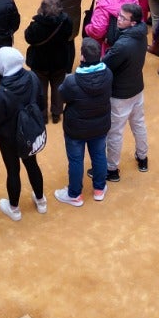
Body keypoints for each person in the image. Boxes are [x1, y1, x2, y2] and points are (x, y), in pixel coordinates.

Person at [0, 47, 48, 219]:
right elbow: (41, 103)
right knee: (32, 164)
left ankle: (14, 208)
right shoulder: (32, 77)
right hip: (29, 133)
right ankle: (41, 201)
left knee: (13, 170)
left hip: (8, 138)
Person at [55, 39, 113, 206]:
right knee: (99, 155)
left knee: (75, 160)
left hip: (76, 128)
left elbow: (62, 96)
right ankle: (99, 189)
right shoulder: (108, 74)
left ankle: (74, 194)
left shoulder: (71, 81)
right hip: (100, 125)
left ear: (82, 57)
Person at [102, 3, 150, 182]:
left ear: (133, 22)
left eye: (123, 18)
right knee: (138, 124)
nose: (118, 20)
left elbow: (105, 63)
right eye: (119, 16)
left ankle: (111, 169)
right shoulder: (142, 34)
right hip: (137, 88)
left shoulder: (122, 45)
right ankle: (143, 157)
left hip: (120, 94)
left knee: (115, 132)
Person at [24, 0, 75, 123]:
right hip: (60, 60)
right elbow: (69, 35)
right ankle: (57, 113)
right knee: (58, 87)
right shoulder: (66, 21)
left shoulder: (36, 25)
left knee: (40, 89)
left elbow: (28, 38)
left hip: (40, 62)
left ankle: (42, 115)